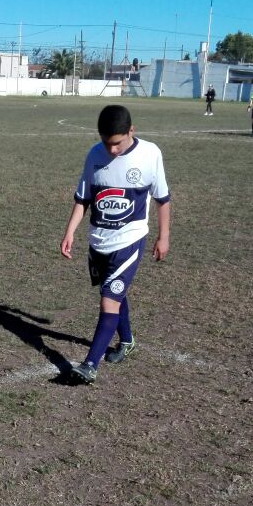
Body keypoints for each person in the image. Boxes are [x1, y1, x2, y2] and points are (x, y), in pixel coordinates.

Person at [60, 105, 171, 384]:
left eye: (117, 143)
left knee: (109, 298)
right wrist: (70, 232)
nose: (111, 149)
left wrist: (164, 236)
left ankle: (90, 365)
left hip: (129, 241)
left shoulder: (150, 154)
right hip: (98, 241)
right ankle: (128, 340)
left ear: (131, 131)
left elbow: (162, 199)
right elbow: (83, 199)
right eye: (106, 142)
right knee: (113, 291)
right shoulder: (94, 155)